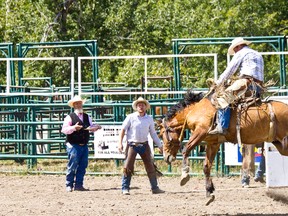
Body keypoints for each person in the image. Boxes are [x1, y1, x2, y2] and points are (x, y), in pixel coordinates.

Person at [209, 37, 264, 135]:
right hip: (259, 87)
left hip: (246, 83)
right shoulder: (257, 54)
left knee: (221, 97)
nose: (234, 51)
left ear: (239, 46)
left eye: (235, 49)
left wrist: (218, 83)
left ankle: (222, 126)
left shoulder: (241, 53)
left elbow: (230, 70)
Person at [118, 97, 165, 195]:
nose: (141, 107)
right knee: (128, 166)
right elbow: (123, 129)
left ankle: (154, 187)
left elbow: (153, 133)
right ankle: (125, 187)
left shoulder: (149, 118)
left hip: (144, 144)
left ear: (145, 107)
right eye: (139, 105)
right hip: (132, 144)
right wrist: (120, 143)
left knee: (150, 166)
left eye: (142, 105)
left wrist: (160, 145)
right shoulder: (131, 117)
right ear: (136, 107)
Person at [61, 95, 102, 192]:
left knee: (83, 165)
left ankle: (78, 184)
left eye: (80, 103)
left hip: (83, 144)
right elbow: (64, 130)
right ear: (74, 105)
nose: (79, 105)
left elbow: (90, 127)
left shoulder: (87, 116)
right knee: (73, 165)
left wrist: (96, 127)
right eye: (77, 103)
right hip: (73, 144)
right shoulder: (69, 117)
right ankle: (69, 184)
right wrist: (73, 128)